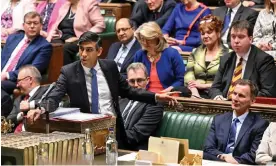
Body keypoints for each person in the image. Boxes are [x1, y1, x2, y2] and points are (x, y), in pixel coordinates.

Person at [40, 31, 176, 149]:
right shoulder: (69, 71)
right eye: (81, 49)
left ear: (99, 51)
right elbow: (55, 97)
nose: (83, 54)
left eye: (89, 50)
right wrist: (41, 109)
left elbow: (129, 91)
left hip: (113, 132)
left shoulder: (110, 67)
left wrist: (156, 97)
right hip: (85, 133)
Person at [204, 79, 269, 165]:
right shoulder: (218, 120)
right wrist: (223, 157)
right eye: (234, 94)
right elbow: (208, 148)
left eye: (241, 96)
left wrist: (235, 161)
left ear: (252, 101)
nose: (235, 99)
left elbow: (254, 154)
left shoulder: (260, 124)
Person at [209, 20, 276, 100]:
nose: (236, 41)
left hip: (250, 108)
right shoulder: (226, 59)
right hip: (224, 107)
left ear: (250, 39)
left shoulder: (264, 60)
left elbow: (268, 92)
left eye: (241, 37)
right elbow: (215, 88)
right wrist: (218, 97)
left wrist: (242, 99)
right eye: (233, 37)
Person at [1, 11, 53, 95]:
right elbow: (2, 58)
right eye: (29, 23)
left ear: (41, 26)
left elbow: (34, 70)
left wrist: (7, 75)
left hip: (17, 80)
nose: (32, 26)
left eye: (35, 23)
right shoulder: (13, 38)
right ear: (23, 25)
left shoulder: (44, 46)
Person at [185, 15, 230, 99]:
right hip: (195, 91)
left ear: (218, 33)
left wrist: (204, 86)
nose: (205, 36)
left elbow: (227, 81)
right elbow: (188, 75)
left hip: (216, 92)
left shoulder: (229, 54)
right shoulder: (195, 52)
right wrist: (194, 92)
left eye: (209, 32)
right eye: (202, 33)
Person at [46, 0, 105, 65]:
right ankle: (50, 74)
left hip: (80, 40)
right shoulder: (65, 6)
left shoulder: (89, 4)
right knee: (48, 46)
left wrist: (80, 37)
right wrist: (48, 39)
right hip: (62, 38)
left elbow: (100, 25)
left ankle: (67, 74)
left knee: (65, 48)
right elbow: (55, 26)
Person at [120, 62, 163, 150]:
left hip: (135, 151)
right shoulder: (120, 99)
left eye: (139, 80)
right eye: (132, 81)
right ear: (127, 82)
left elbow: (137, 134)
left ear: (147, 80)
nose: (136, 85)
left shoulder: (154, 103)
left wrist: (110, 138)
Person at [134, 22, 185, 93]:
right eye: (142, 39)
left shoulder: (172, 53)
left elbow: (181, 80)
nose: (145, 43)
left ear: (157, 38)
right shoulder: (139, 55)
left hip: (168, 95)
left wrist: (167, 91)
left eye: (148, 39)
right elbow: (134, 78)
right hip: (145, 96)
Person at [6, 65, 49, 132]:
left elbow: (51, 103)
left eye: (19, 81)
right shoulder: (19, 99)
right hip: (13, 136)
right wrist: (20, 115)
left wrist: (30, 105)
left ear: (29, 80)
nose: (17, 85)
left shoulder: (47, 92)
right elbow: (9, 119)